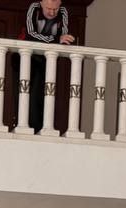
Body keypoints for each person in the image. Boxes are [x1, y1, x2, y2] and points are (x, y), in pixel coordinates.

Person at [15, 0, 75, 132]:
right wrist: (56, 39)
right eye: (48, 8)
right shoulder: (34, 8)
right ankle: (20, 123)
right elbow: (31, 35)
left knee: (40, 93)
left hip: (44, 58)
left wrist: (58, 39)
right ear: (41, 3)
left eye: (55, 9)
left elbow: (64, 37)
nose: (52, 12)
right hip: (23, 57)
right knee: (22, 90)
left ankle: (37, 127)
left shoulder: (63, 11)